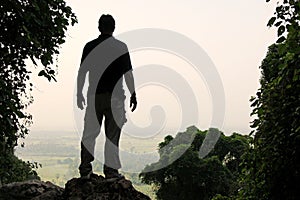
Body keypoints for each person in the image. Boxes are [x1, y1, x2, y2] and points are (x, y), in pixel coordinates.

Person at [76, 14, 137, 179]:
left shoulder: (89, 46)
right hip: (116, 98)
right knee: (112, 135)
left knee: (89, 133)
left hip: (94, 96)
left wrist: (79, 94)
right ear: (114, 27)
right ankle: (111, 171)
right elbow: (128, 74)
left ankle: (85, 170)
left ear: (99, 27)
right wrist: (133, 94)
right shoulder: (120, 47)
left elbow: (82, 73)